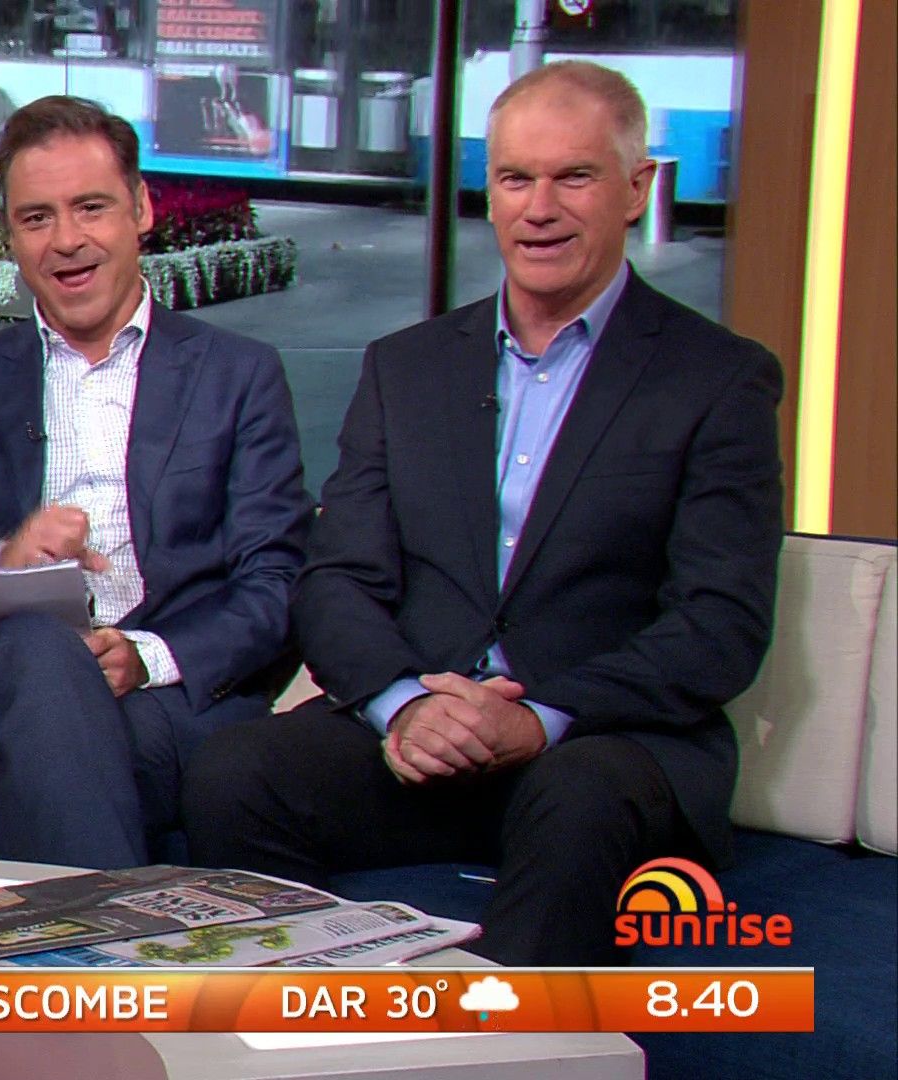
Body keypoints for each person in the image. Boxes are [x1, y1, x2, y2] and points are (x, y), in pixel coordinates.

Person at [182, 62, 784, 965]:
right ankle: (302, 1028)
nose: (540, 208)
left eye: (573, 177)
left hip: (600, 742)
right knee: (234, 773)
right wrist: (405, 707)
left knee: (577, 798)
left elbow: (720, 623)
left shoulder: (718, 378)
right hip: (425, 736)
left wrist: (538, 715)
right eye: (515, 178)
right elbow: (337, 578)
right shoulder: (407, 366)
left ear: (636, 189)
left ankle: (504, 1039)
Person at [0, 95, 312, 870]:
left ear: (141, 209)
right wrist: (2, 563)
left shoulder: (238, 376)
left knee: (45, 759)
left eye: (91, 208)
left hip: (162, 699)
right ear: (11, 236)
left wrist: (145, 655)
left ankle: (62, 936)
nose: (66, 240)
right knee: (40, 652)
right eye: (36, 218)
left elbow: (276, 584)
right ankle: (115, 946)